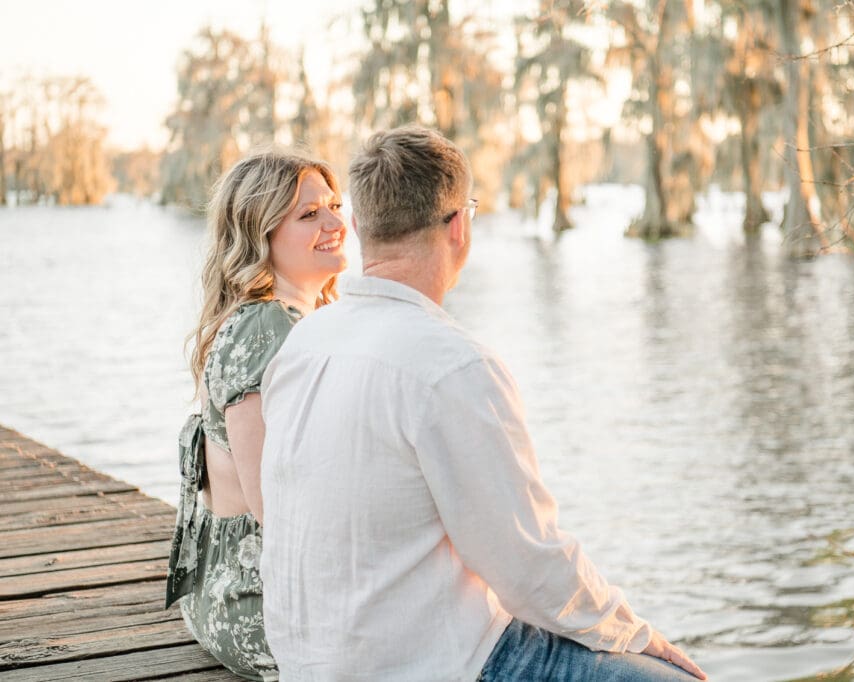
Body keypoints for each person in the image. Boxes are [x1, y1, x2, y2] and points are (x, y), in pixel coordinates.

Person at [260, 125, 707, 681]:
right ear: (459, 227)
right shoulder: (452, 366)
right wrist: (635, 634)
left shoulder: (305, 342)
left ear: (357, 227)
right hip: (430, 666)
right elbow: (529, 569)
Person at [165, 149, 348, 681]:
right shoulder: (263, 328)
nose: (336, 223)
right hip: (257, 602)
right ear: (260, 233)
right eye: (309, 215)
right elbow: (275, 506)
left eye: (334, 206)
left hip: (231, 590)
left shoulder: (295, 319)